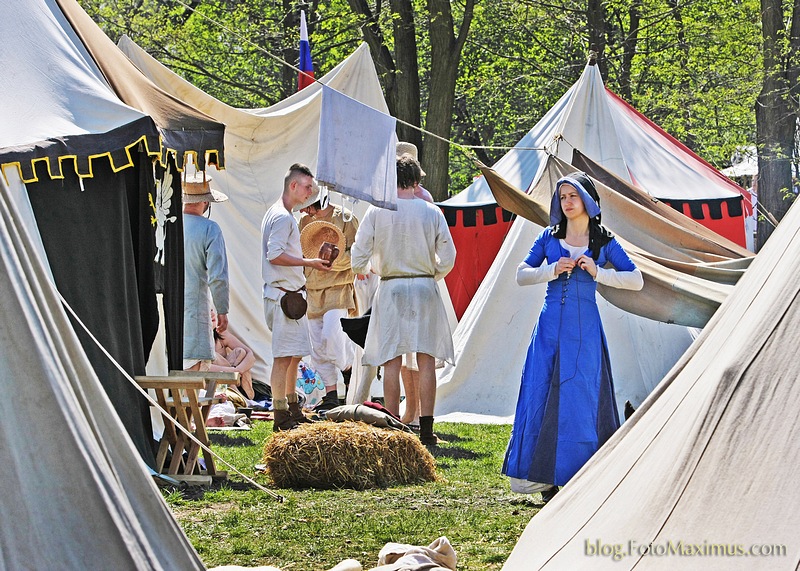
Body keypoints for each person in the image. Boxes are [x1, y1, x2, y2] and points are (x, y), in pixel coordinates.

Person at [502, 172, 643, 502]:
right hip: (549, 327)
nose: (566, 202)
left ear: (587, 201)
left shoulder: (603, 242)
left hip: (585, 331)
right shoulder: (549, 238)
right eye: (562, 197)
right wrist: (553, 269)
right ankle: (543, 479)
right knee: (541, 393)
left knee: (582, 397)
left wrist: (599, 272)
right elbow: (521, 274)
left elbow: (635, 279)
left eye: (573, 196)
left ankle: (582, 475)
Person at [351, 154, 456, 445]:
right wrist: (428, 275)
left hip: (392, 288)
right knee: (425, 359)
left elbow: (357, 258)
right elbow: (448, 258)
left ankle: (394, 428)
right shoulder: (431, 212)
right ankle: (426, 429)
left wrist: (372, 268)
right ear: (416, 180)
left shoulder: (376, 213)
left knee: (392, 361)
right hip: (423, 288)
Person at [261, 163, 332, 431]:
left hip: (288, 296)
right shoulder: (280, 216)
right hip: (283, 297)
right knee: (283, 357)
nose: (309, 193)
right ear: (293, 185)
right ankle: (280, 416)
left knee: (293, 356)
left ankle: (291, 408)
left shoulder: (279, 213)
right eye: (306, 187)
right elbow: (274, 254)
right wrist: (310, 262)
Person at [299, 189, 365, 412]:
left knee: (332, 333)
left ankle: (347, 368)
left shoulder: (345, 218)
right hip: (313, 287)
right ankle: (331, 395)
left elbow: (357, 252)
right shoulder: (304, 222)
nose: (306, 210)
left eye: (309, 205)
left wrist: (333, 260)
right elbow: (301, 253)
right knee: (317, 345)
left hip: (338, 285)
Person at [182, 171, 230, 372]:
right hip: (194, 312)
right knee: (195, 375)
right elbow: (218, 276)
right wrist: (222, 310)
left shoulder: (166, 225)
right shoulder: (210, 229)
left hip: (165, 313)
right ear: (206, 202)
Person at [209, 309, 256, 399]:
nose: (211, 314)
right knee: (215, 357)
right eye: (206, 312)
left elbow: (250, 355)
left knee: (241, 352)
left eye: (211, 310)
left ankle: (246, 394)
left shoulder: (221, 334)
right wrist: (231, 371)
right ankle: (240, 397)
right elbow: (203, 367)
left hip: (232, 376)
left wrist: (238, 370)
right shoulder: (196, 341)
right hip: (212, 382)